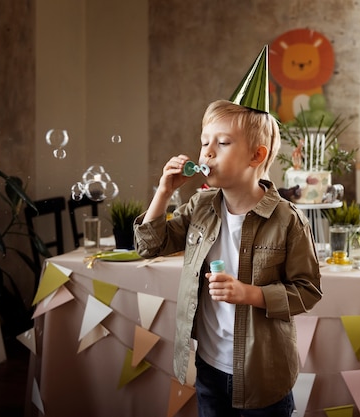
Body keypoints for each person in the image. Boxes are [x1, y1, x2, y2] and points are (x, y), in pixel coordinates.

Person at [133, 46, 322, 417]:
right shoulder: (201, 207)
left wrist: (249, 293)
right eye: (204, 142)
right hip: (209, 367)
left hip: (263, 373)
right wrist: (163, 192)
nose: (206, 153)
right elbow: (149, 246)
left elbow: (308, 292)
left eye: (221, 143)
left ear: (256, 156)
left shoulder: (288, 220)